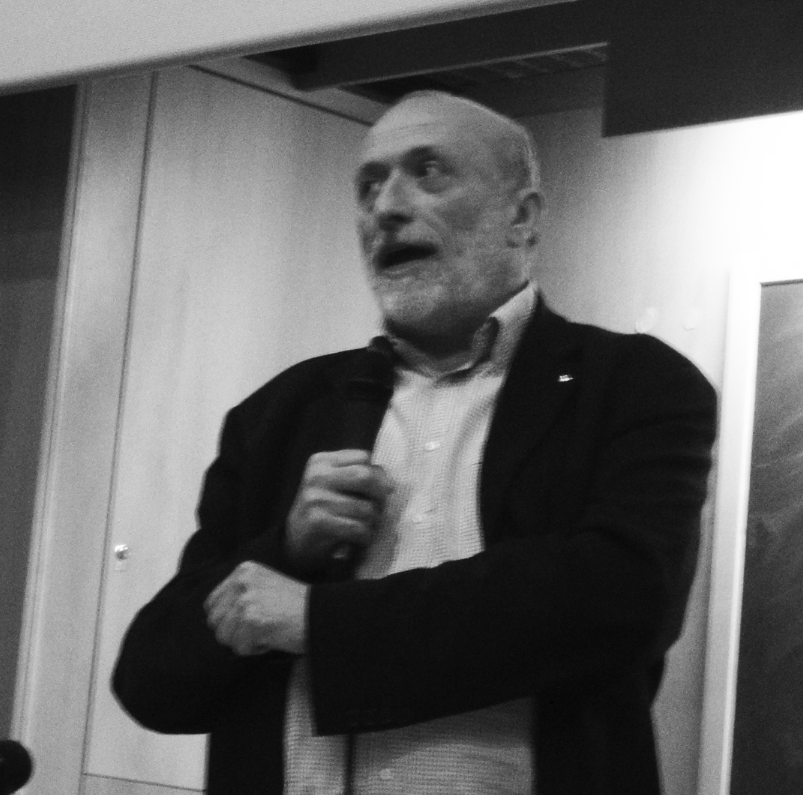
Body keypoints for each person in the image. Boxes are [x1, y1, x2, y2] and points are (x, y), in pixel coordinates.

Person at [113, 91, 718, 795]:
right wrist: (283, 548)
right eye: (368, 186)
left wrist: (318, 623)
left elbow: (618, 599)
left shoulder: (630, 385)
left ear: (521, 218)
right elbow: (152, 685)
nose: (387, 207)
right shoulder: (282, 413)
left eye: (428, 172)